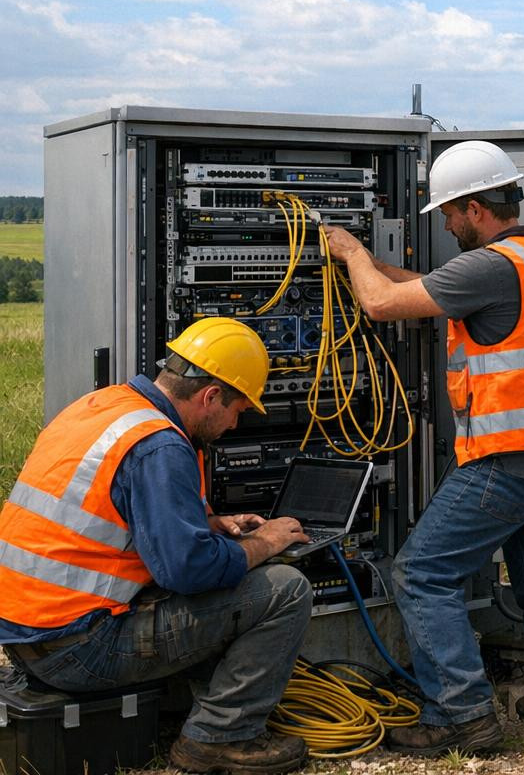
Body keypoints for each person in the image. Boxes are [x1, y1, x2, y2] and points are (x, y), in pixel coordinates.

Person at [323, 139, 524, 757]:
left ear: (476, 208)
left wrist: (351, 254)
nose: (447, 226)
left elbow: (380, 304)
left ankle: (460, 715)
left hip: (509, 460)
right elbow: (427, 289)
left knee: (422, 573)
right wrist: (375, 264)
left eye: (450, 214)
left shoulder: (488, 266)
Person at [0, 318, 315, 775]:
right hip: (78, 650)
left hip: (28, 639)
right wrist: (264, 543)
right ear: (210, 396)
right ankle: (220, 738)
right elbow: (188, 571)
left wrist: (205, 524)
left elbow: (111, 518)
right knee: (285, 589)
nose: (235, 423)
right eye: (238, 409)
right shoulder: (159, 447)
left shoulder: (105, 406)